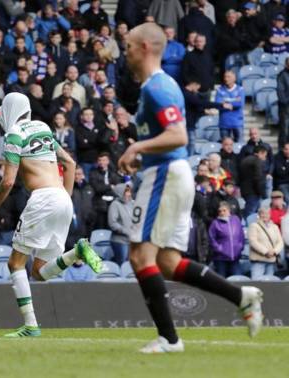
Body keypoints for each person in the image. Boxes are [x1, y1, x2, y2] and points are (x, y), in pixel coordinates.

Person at [118, 23, 262, 353]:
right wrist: (141, 156)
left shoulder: (159, 87)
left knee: (140, 256)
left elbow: (179, 136)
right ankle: (241, 296)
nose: (123, 52)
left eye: (128, 46)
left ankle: (169, 340)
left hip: (167, 175)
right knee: (167, 262)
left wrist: (136, 149)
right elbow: (168, 140)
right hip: (167, 171)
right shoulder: (152, 89)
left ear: (144, 48)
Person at [0, 93, 102, 338]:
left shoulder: (14, 135)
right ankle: (78, 251)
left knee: (15, 264)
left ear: (10, 109)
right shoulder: (42, 128)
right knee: (39, 273)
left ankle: (31, 326)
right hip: (63, 197)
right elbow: (71, 163)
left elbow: (8, 181)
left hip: (42, 199)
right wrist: (66, 198)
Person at [208, 202, 245, 278]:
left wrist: (240, 246)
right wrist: (219, 249)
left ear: (229, 211)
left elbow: (241, 235)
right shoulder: (215, 223)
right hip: (220, 258)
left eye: (224, 210)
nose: (222, 212)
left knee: (239, 280)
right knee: (221, 281)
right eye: (220, 211)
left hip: (235, 257)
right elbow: (211, 239)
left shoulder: (236, 220)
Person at [248, 207, 283, 279]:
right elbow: (253, 242)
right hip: (258, 261)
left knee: (270, 284)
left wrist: (274, 251)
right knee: (256, 283)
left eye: (267, 213)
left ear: (270, 215)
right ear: (259, 215)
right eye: (262, 213)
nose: (265, 215)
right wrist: (266, 252)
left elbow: (280, 242)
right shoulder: (254, 226)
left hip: (271, 260)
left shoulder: (275, 227)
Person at [215, 70, 245, 143]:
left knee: (240, 146)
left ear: (234, 78)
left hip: (237, 122)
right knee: (225, 146)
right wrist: (233, 101)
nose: (226, 79)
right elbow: (217, 104)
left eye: (228, 77)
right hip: (224, 122)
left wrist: (225, 102)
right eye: (225, 77)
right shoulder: (219, 90)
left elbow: (240, 103)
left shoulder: (240, 89)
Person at [108, 183, 133, 265]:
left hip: (131, 241)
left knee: (129, 266)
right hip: (120, 241)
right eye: (126, 191)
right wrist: (126, 231)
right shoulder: (115, 205)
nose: (129, 194)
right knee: (122, 264)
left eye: (129, 191)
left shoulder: (132, 204)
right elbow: (112, 223)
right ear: (120, 192)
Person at [240, 145, 268, 218]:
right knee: (250, 214)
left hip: (245, 190)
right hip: (253, 191)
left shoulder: (245, 160)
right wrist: (263, 194)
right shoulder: (257, 161)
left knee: (254, 212)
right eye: (265, 155)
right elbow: (258, 178)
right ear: (260, 153)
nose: (265, 158)